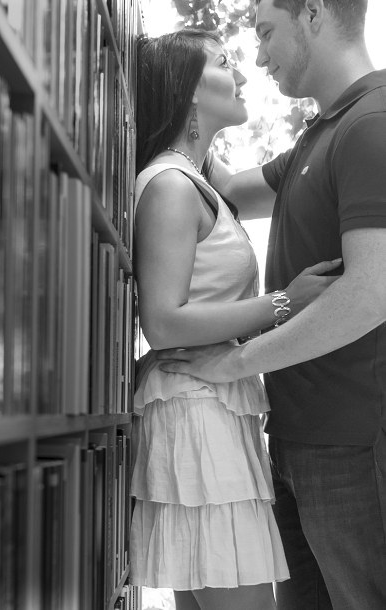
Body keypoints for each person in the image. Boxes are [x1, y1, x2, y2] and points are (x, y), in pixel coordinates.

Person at [156, 1, 386, 609]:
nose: (255, 54)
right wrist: (174, 95)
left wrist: (233, 363)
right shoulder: (320, 133)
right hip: (294, 445)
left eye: (263, 32)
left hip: (356, 448)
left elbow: (373, 293)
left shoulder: (373, 124)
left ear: (312, 14)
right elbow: (225, 187)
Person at [129, 28, 342, 610]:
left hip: (209, 406)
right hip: (200, 410)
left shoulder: (194, 178)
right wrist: (284, 302)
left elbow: (245, 185)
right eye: (225, 62)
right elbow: (164, 321)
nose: (245, 72)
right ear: (189, 90)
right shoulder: (172, 187)